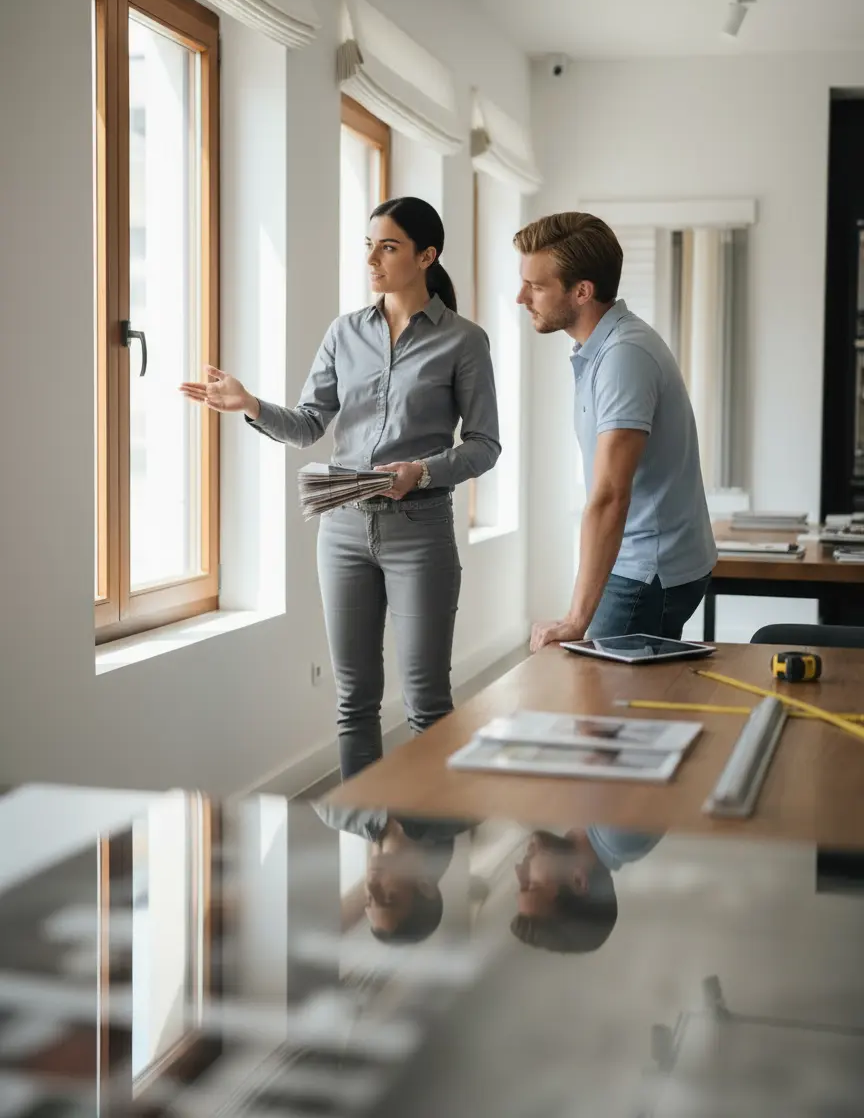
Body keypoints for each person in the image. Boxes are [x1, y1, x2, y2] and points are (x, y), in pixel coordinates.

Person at [181, 197, 500, 779]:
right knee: (354, 704)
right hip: (343, 530)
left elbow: (484, 445)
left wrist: (423, 471)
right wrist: (249, 404)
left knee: (428, 705)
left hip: (420, 532)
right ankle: (369, 844)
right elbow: (308, 425)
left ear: (427, 256)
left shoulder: (463, 341)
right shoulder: (344, 332)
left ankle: (430, 850)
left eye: (389, 246)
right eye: (368, 245)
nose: (372, 259)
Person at [514, 213, 717, 653]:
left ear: (581, 291)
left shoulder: (623, 356)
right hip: (643, 561)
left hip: (646, 570)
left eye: (536, 286)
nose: (521, 297)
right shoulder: (605, 348)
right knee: (621, 708)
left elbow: (609, 495)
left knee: (601, 712)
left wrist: (575, 620)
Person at [313, 802, 474, 943]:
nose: (371, 885)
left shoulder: (334, 813)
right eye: (389, 898)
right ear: (424, 884)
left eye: (369, 899)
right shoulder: (459, 810)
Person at [511, 825, 662, 953]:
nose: (518, 871)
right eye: (532, 885)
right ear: (578, 881)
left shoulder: (602, 832)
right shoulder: (616, 835)